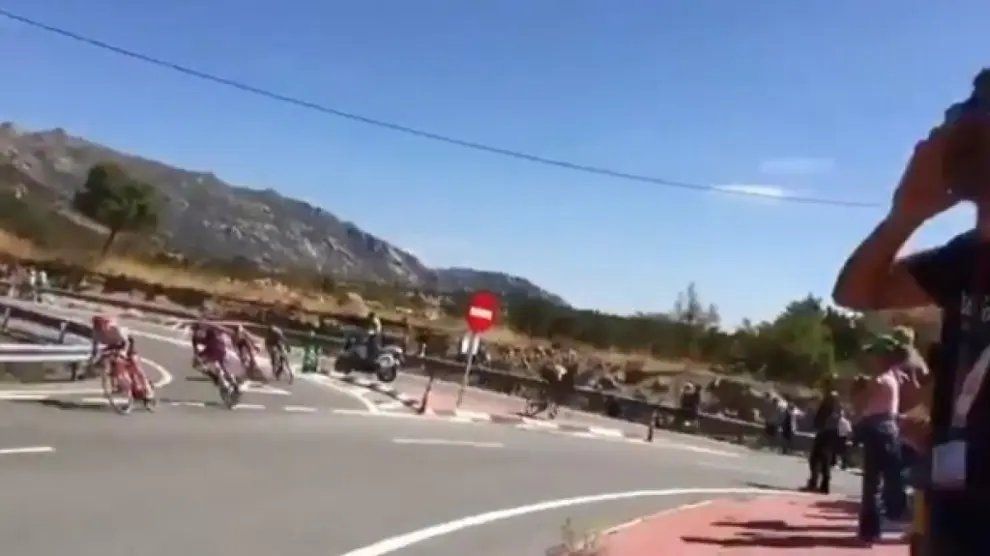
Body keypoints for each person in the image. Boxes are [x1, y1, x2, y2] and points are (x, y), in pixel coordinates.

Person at [832, 103, 990, 552]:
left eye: (960, 130)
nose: (933, 144)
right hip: (955, 498)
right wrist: (905, 215)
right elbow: (856, 292)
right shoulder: (964, 257)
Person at [91, 315, 154, 401]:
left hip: (126, 344)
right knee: (112, 363)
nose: (100, 329)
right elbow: (95, 346)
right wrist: (94, 356)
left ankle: (148, 389)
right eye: (98, 327)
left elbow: (126, 342)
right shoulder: (96, 332)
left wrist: (124, 353)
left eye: (101, 326)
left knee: (135, 366)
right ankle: (117, 384)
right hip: (112, 345)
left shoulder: (115, 329)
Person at [805, 389, 841, 494]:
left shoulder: (831, 409)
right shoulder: (836, 409)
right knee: (823, 460)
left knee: (819, 459)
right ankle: (821, 484)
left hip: (826, 434)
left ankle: (818, 483)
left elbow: (820, 421)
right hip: (828, 434)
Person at [190, 319, 232, 385]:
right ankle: (214, 375)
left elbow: (216, 340)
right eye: (195, 331)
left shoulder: (210, 331)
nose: (197, 333)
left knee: (219, 362)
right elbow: (196, 349)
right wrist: (198, 356)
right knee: (196, 364)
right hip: (211, 350)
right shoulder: (195, 338)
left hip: (216, 349)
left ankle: (227, 377)